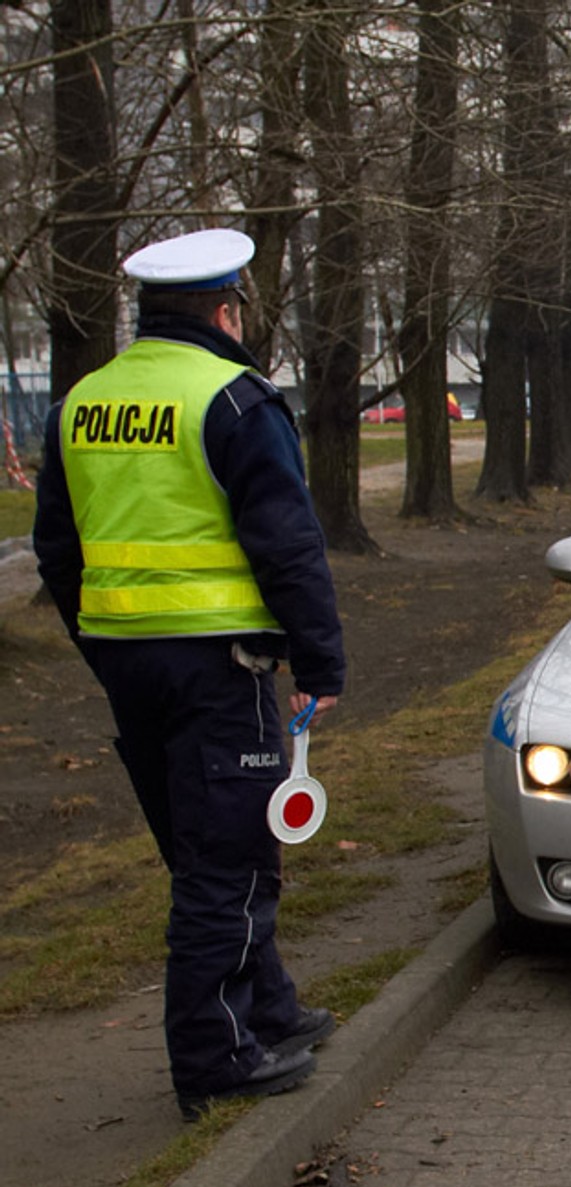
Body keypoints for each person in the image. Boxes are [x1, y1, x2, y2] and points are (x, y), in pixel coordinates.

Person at [33, 228, 346, 1120]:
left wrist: (104, 644)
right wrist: (320, 662)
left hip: (130, 666)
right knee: (229, 862)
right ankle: (215, 1056)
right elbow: (289, 546)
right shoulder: (233, 399)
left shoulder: (82, 402)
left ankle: (270, 1013)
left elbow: (59, 548)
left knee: (205, 850)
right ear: (224, 309)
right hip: (220, 664)